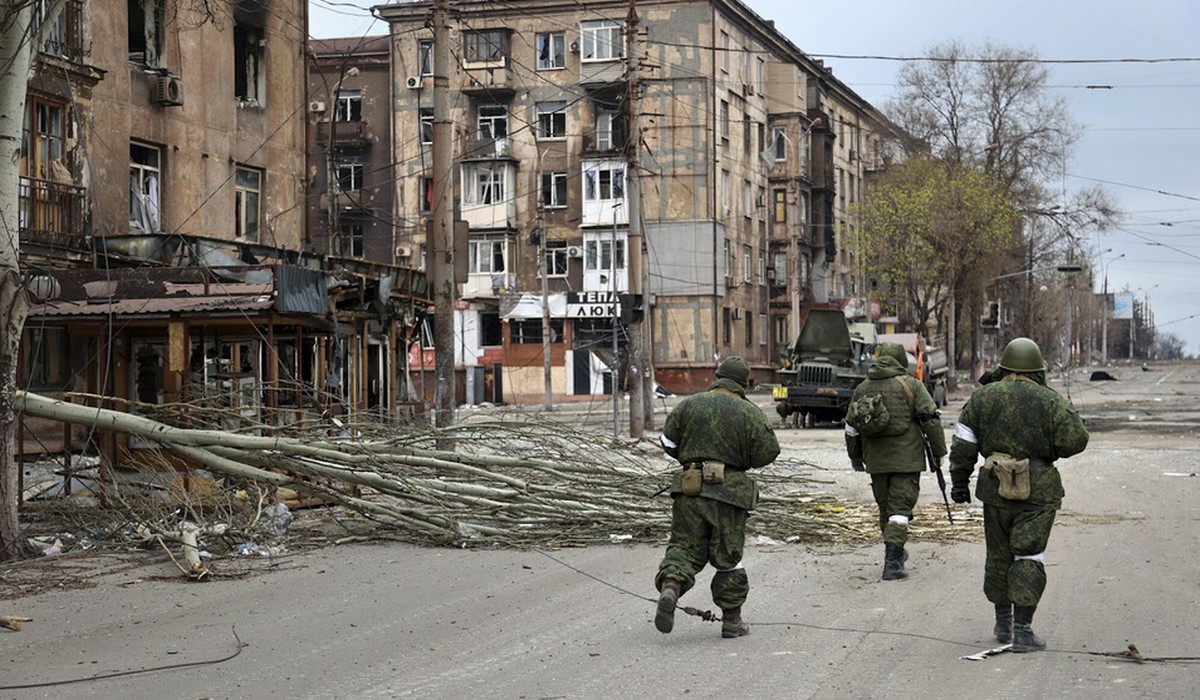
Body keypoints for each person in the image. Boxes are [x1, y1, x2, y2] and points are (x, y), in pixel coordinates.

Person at [948, 337, 1089, 652]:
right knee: (1028, 554)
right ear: (1037, 369)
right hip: (1038, 490)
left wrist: (959, 483)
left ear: (1005, 366)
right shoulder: (1050, 400)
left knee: (998, 554)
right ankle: (1023, 631)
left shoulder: (982, 398)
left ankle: (1003, 623)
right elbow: (1075, 441)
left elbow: (963, 445)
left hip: (995, 488)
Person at [654, 356, 780, 638]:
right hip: (729, 492)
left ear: (717, 376)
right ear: (744, 382)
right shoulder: (750, 412)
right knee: (728, 556)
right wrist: (740, 460)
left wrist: (692, 459)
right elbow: (769, 452)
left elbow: (667, 442)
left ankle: (671, 589)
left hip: (689, 488)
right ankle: (732, 622)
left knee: (684, 547)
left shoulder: (689, 404)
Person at [844, 342, 947, 580]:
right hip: (907, 460)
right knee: (900, 511)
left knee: (886, 508)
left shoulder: (862, 388)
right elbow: (930, 420)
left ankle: (895, 553)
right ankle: (892, 564)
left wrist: (855, 457)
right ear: (902, 361)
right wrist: (939, 453)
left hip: (876, 461)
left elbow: (851, 427)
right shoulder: (912, 385)